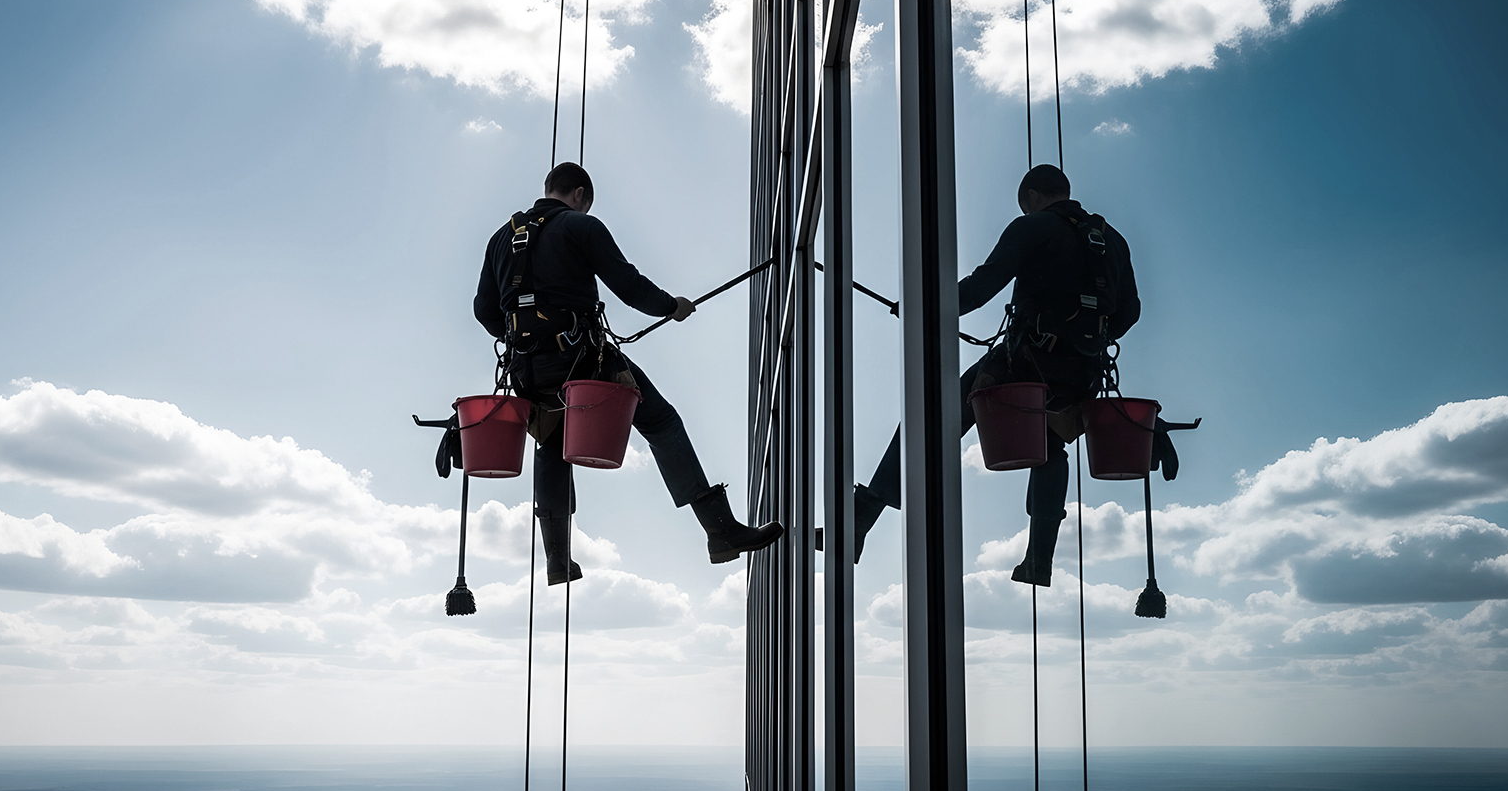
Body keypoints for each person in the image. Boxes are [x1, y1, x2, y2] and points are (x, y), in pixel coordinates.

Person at [473, 162, 784, 584]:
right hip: (583, 359)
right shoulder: (580, 226)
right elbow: (629, 285)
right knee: (660, 421)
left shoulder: (501, 238)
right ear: (580, 195)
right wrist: (671, 307)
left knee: (551, 441)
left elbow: (484, 311)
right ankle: (719, 531)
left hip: (527, 368)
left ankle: (558, 559)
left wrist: (523, 336)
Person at [850, 163, 1139, 586]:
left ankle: (863, 517)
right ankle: (1039, 558)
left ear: (1030, 197)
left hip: (1023, 364)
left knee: (934, 414)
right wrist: (1087, 340)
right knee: (1051, 444)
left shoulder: (1033, 226)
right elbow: (1130, 311)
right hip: (1082, 372)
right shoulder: (1111, 240)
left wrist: (921, 304)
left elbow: (982, 287)